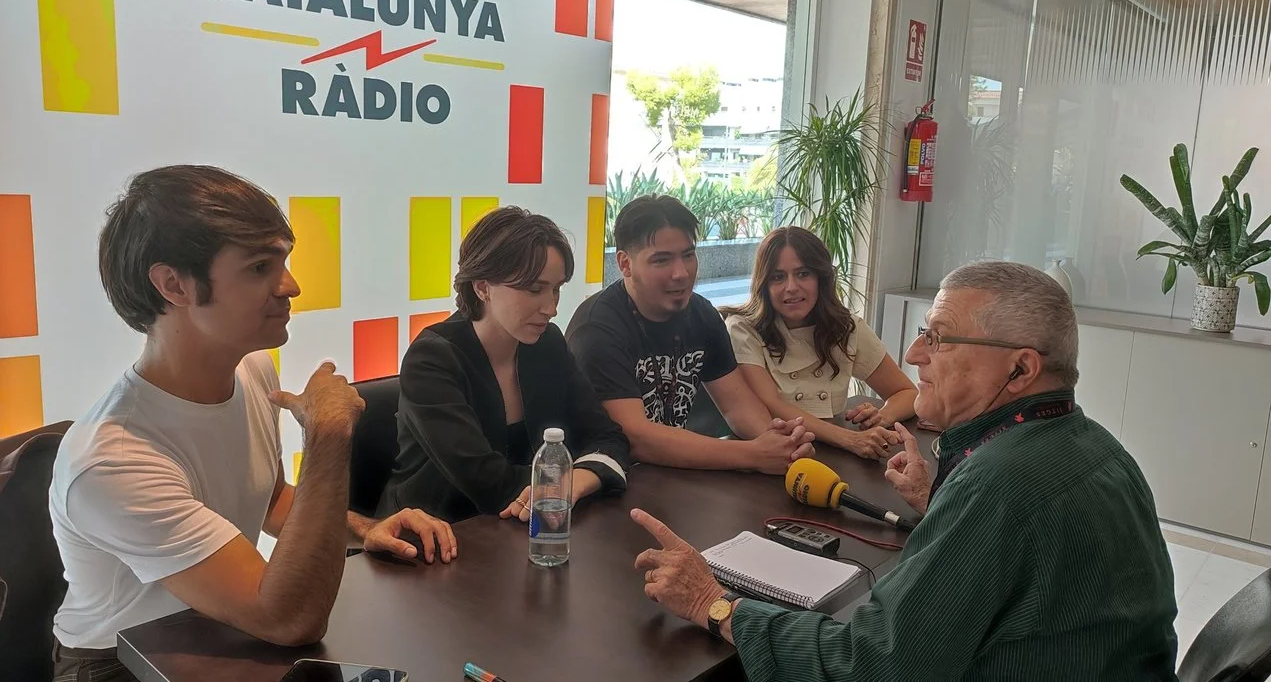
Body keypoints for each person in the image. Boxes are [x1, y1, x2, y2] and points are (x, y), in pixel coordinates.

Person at [631, 261, 1179, 681]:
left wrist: (713, 603)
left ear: (1020, 368)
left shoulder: (999, 485)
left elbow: (870, 665)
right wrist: (942, 501)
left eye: (939, 337)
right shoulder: (1101, 449)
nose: (915, 354)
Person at [49, 166, 456, 682]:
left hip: (216, 630)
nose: (291, 285)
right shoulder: (113, 460)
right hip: (122, 663)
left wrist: (365, 529)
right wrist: (327, 434)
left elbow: (270, 499)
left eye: (283, 262)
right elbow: (289, 620)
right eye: (261, 266)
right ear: (173, 285)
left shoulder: (252, 369)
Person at [377, 207, 631, 524]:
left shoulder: (547, 343)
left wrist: (576, 481)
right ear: (482, 287)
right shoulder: (431, 359)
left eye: (556, 289)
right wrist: (570, 480)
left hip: (518, 527)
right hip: (432, 535)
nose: (551, 308)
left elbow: (609, 438)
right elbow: (487, 484)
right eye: (534, 289)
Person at [565, 195, 815, 475]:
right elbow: (635, 438)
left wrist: (781, 444)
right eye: (662, 260)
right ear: (625, 264)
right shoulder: (597, 329)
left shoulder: (702, 314)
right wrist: (753, 454)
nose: (681, 273)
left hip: (673, 475)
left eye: (688, 255)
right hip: (601, 481)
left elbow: (737, 406)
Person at [722, 227, 916, 460]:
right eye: (778, 277)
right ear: (763, 284)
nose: (791, 287)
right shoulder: (743, 329)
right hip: (776, 456)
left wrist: (881, 417)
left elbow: (907, 392)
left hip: (835, 455)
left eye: (803, 274)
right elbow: (771, 404)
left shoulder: (847, 328)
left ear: (821, 278)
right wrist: (850, 439)